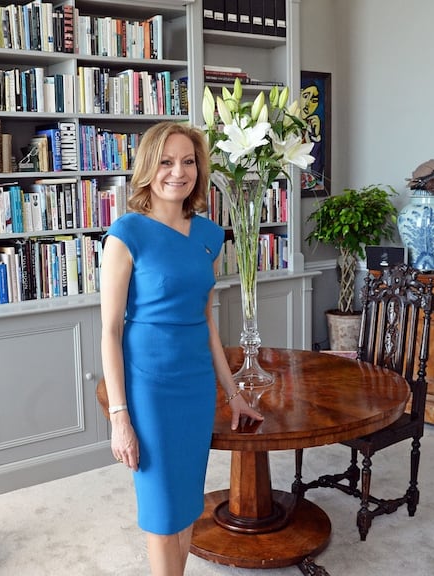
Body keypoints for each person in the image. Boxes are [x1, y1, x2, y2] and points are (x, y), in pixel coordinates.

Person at [100, 120, 263, 576]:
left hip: (194, 387)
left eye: (188, 161)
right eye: (167, 161)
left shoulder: (210, 236)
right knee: (160, 511)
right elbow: (109, 331)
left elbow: (206, 320)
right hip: (149, 388)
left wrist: (233, 394)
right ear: (149, 168)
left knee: (188, 504)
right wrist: (119, 418)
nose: (179, 171)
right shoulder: (126, 234)